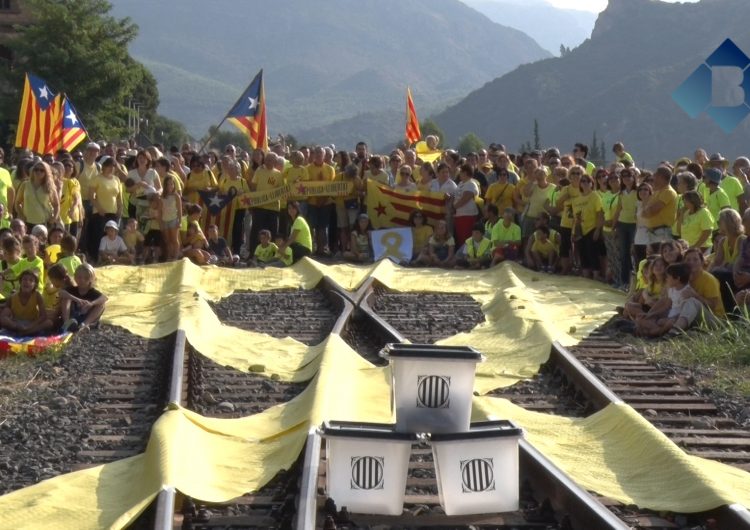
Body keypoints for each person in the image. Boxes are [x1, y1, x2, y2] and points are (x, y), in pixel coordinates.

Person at [635, 262, 701, 337]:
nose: (666, 279)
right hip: (668, 317)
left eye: (668, 277)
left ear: (677, 279)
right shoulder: (671, 290)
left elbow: (685, 312)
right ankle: (652, 331)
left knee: (668, 323)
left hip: (676, 319)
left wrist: (670, 319)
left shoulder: (686, 292)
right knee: (644, 319)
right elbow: (666, 305)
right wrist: (650, 315)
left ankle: (658, 332)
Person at [0, 270, 52, 336]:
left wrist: (30, 326)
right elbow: (4, 316)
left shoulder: (37, 295)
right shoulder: (12, 297)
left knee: (49, 323)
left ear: (35, 284)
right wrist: (16, 326)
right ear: (20, 282)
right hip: (17, 324)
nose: (27, 282)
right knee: (2, 318)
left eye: (31, 280)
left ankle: (26, 332)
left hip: (32, 323)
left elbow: (43, 316)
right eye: (24, 279)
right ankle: (20, 331)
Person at [572, 173, 604, 280]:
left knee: (593, 252)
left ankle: (596, 275)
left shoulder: (595, 196)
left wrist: (598, 230)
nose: (585, 183)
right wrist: (574, 232)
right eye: (583, 181)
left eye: (588, 181)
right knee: (583, 253)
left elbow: (600, 213)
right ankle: (586, 275)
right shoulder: (576, 199)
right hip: (580, 230)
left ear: (592, 183)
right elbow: (575, 218)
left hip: (592, 228)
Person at [60, 264, 107, 332]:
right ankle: (66, 323)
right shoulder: (72, 289)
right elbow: (61, 293)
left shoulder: (92, 291)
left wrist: (91, 303)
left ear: (91, 279)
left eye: (86, 278)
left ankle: (84, 324)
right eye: (79, 277)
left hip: (86, 316)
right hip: (73, 317)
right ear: (75, 277)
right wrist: (77, 300)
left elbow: (104, 298)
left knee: (102, 305)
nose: (82, 280)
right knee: (66, 298)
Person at [452, 164, 480, 244]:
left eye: (460, 172)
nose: (459, 173)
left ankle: (466, 254)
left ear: (465, 173)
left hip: (467, 215)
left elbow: (465, 199)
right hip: (459, 215)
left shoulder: (471, 184)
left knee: (466, 237)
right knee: (460, 237)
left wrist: (454, 207)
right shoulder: (461, 183)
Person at [160, 175, 182, 261]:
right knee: (167, 240)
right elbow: (161, 210)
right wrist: (161, 222)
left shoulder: (176, 196)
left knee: (174, 239)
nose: (170, 186)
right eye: (168, 184)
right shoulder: (162, 196)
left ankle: (175, 256)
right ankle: (169, 255)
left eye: (172, 184)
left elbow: (180, 210)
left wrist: (179, 221)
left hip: (173, 219)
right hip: (165, 220)